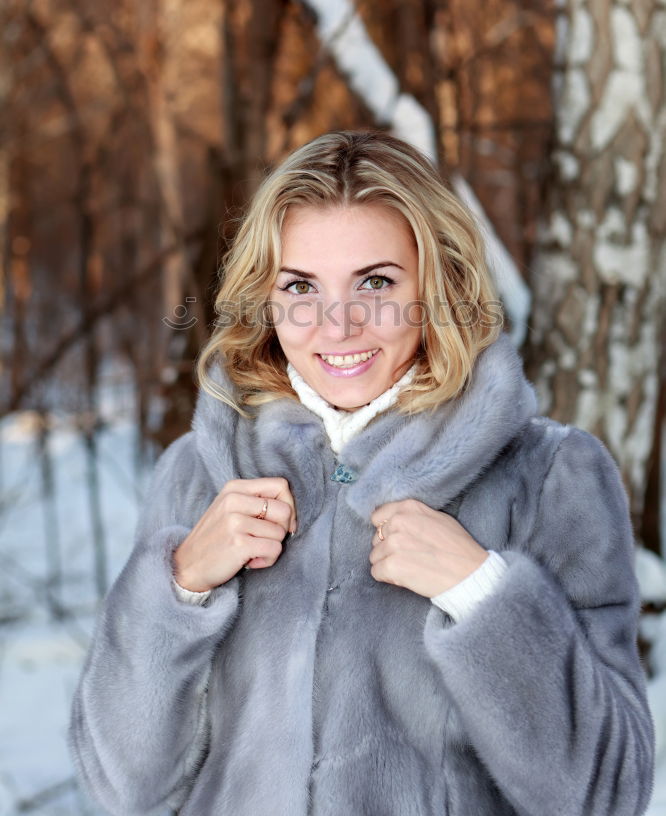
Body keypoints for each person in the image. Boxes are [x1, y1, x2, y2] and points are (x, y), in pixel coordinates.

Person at [68, 130, 655, 816]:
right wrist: (179, 588)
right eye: (301, 286)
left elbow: (608, 795)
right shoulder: (197, 477)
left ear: (440, 285)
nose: (337, 324)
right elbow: (121, 788)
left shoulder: (551, 476)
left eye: (375, 282)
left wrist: (484, 595)